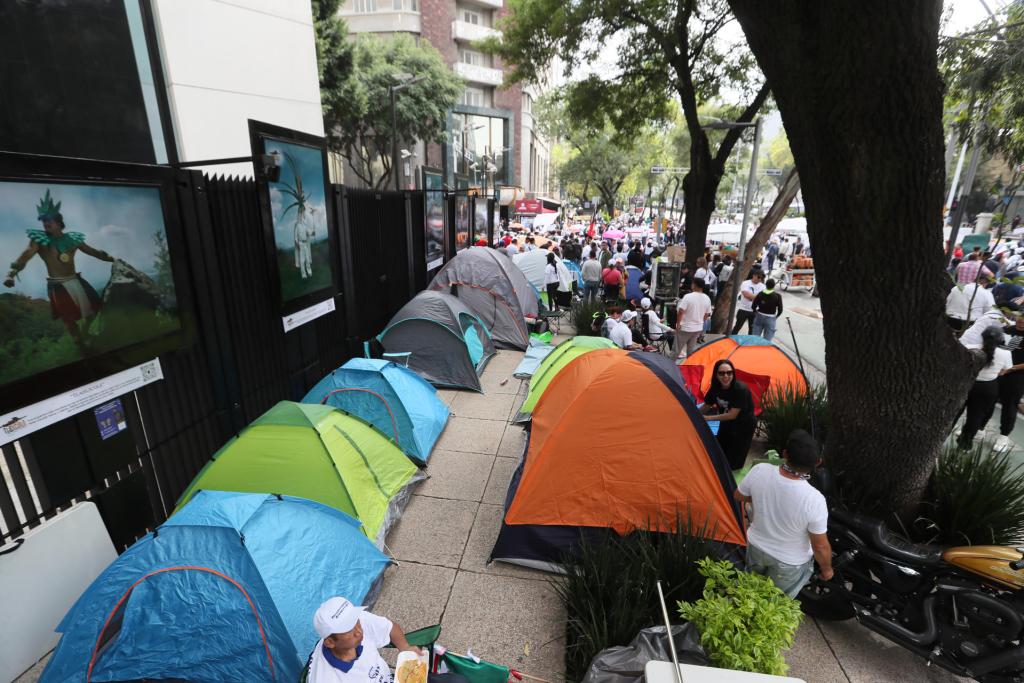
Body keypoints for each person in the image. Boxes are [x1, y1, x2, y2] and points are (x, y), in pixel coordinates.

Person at [4, 189, 116, 349]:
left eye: (48, 220)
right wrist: (11, 273)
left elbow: (93, 251)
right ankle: (80, 345)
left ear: (58, 222)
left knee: (95, 307)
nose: (45, 223)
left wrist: (112, 258)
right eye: (43, 221)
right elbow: (26, 255)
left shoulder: (73, 239)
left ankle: (84, 332)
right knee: (69, 320)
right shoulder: (39, 240)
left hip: (75, 279)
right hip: (58, 285)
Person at [734, 429, 832, 598]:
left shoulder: (760, 470)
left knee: (748, 594)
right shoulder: (815, 500)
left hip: (756, 547)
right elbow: (820, 546)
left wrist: (761, 497)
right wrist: (827, 570)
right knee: (773, 607)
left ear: (785, 454)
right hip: (789, 563)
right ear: (818, 462)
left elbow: (738, 496)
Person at [306, 596, 467, 683]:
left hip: (395, 678)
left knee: (458, 681)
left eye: (356, 622)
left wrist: (405, 648)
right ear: (330, 642)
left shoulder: (358, 621)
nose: (358, 631)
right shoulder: (326, 678)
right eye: (349, 630)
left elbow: (391, 628)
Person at [959, 326, 1015, 448]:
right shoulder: (1006, 353)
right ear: (1001, 340)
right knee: (975, 417)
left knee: (954, 413)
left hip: (965, 384)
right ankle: (964, 445)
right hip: (987, 388)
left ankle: (939, 442)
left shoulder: (969, 348)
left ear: (982, 337)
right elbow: (1005, 370)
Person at [700, 359, 756, 470]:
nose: (726, 376)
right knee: (720, 449)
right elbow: (707, 405)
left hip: (743, 425)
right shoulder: (715, 387)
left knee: (734, 459)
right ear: (716, 374)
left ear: (733, 374)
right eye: (721, 373)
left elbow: (732, 415)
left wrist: (708, 418)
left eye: (729, 373)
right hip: (726, 422)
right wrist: (693, 414)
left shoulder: (740, 389)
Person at [997, 315, 1024, 450]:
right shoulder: (1007, 329)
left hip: (1017, 376)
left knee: (1010, 405)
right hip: (997, 371)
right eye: (1019, 320)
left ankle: (1003, 437)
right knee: (988, 401)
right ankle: (979, 428)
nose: (1021, 323)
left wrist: (1011, 368)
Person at [675, 279, 712, 363]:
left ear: (694, 285)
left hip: (685, 327)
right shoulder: (707, 298)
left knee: (676, 350)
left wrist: (678, 324)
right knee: (690, 351)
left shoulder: (688, 296)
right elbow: (707, 314)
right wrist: (700, 321)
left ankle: (669, 368)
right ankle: (689, 367)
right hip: (697, 328)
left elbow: (681, 311)